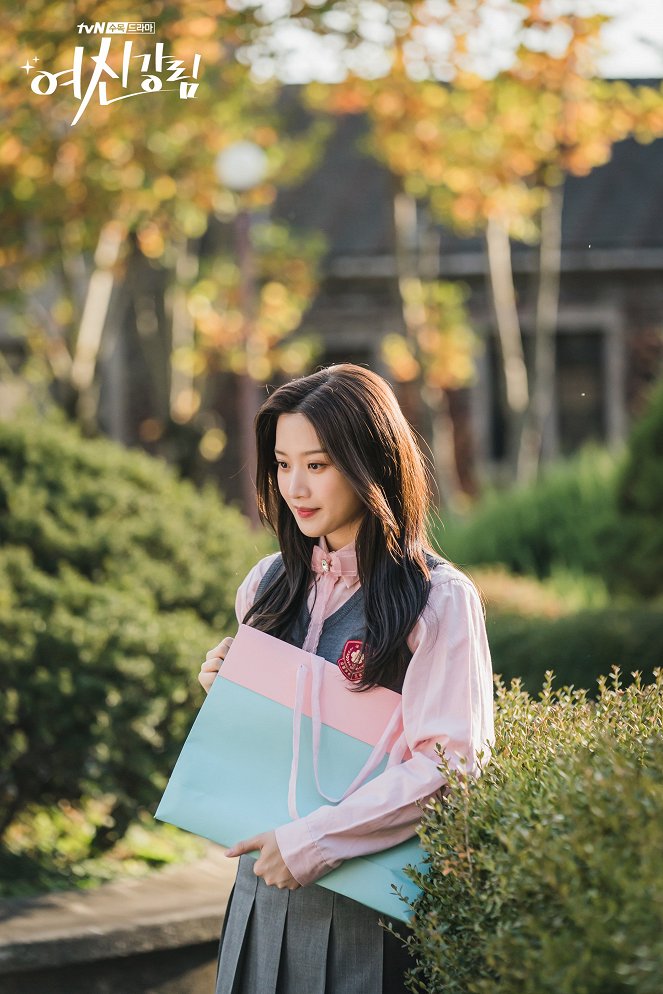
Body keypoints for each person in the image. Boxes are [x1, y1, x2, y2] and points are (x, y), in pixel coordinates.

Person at [199, 364, 494, 994]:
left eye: (319, 464)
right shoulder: (266, 585)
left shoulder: (438, 600)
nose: (295, 488)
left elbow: (449, 766)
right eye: (282, 464)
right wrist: (231, 693)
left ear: (371, 464)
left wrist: (312, 842)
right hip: (259, 896)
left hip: (369, 910)